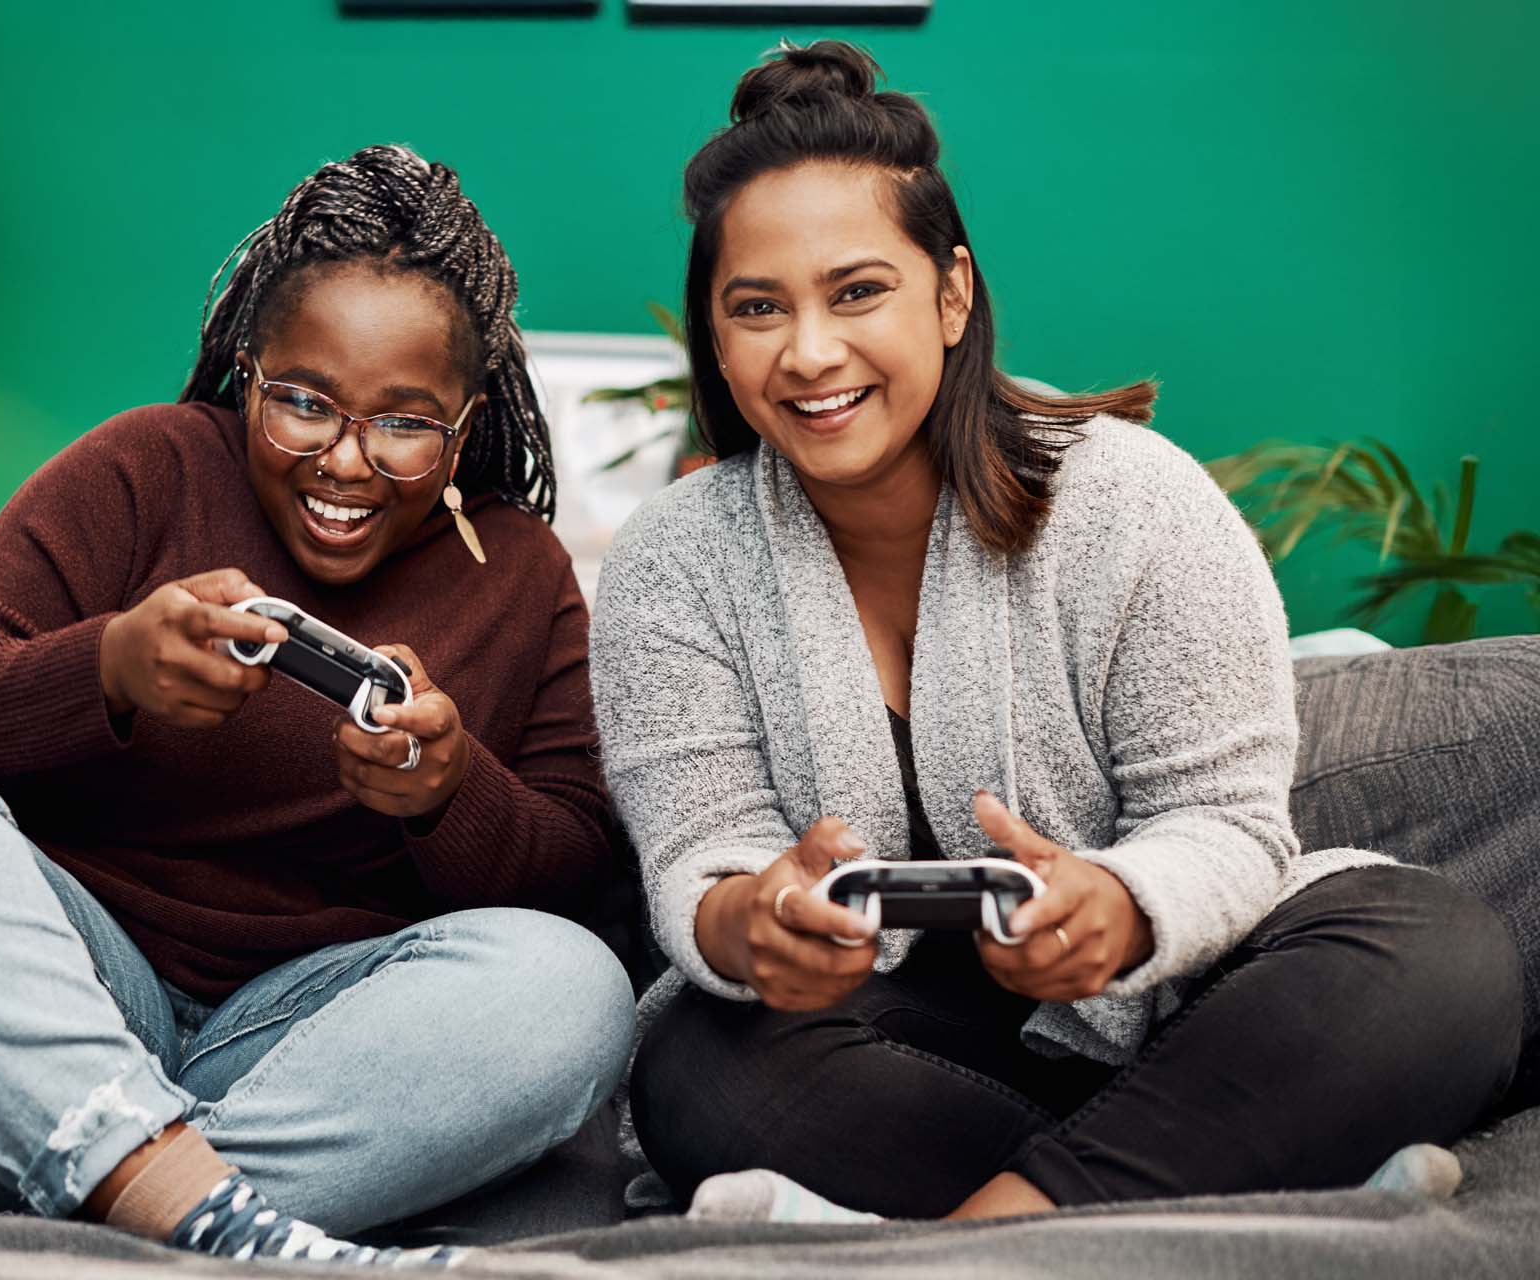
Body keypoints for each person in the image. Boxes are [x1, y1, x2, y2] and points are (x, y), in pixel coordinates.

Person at [590, 40, 1521, 1223]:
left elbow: (1227, 821)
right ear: (719, 341)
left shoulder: (1135, 500)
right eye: (758, 308)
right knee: (697, 1068)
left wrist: (1122, 908)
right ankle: (1235, 1186)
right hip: (906, 1041)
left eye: (857, 290)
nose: (809, 351)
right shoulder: (675, 559)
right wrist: (752, 921)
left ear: (952, 293)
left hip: (1172, 1009)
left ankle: (992, 1229)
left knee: (1435, 955)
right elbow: (698, 846)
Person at [0, 143, 635, 1268]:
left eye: (405, 423)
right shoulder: (148, 467)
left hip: (307, 1049)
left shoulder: (520, 574)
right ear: (247, 369)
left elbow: (574, 869)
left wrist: (449, 790)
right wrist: (109, 669)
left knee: (574, 987)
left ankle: (27, 1234)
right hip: (51, 1004)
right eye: (303, 404)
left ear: (466, 424)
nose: (346, 462)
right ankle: (211, 1220)